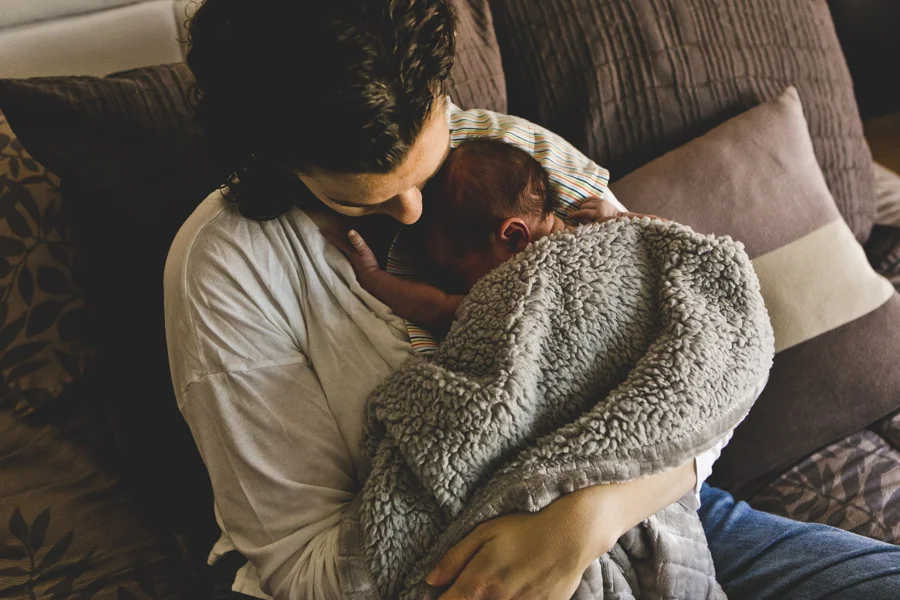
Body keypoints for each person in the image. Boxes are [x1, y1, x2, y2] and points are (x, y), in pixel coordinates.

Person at [164, 1, 900, 599]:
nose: (416, 215)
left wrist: (586, 521)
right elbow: (304, 568)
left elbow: (697, 383)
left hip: (648, 503)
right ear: (276, 158)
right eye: (371, 199)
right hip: (435, 564)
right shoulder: (228, 269)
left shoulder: (514, 158)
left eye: (427, 161)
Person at [329, 138, 641, 336]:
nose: (453, 287)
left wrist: (372, 278)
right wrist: (620, 218)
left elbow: (436, 309)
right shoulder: (601, 229)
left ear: (514, 238)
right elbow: (659, 232)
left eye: (457, 271)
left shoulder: (518, 285)